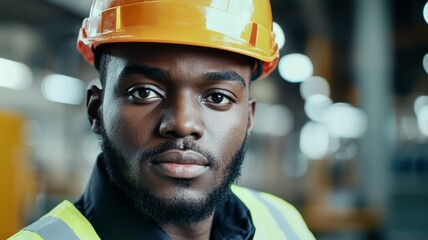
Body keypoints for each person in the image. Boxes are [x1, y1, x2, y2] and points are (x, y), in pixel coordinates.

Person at [9, 0, 315, 239]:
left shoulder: (284, 224)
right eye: (144, 92)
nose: (182, 123)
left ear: (249, 119)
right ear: (96, 110)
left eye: (218, 97)